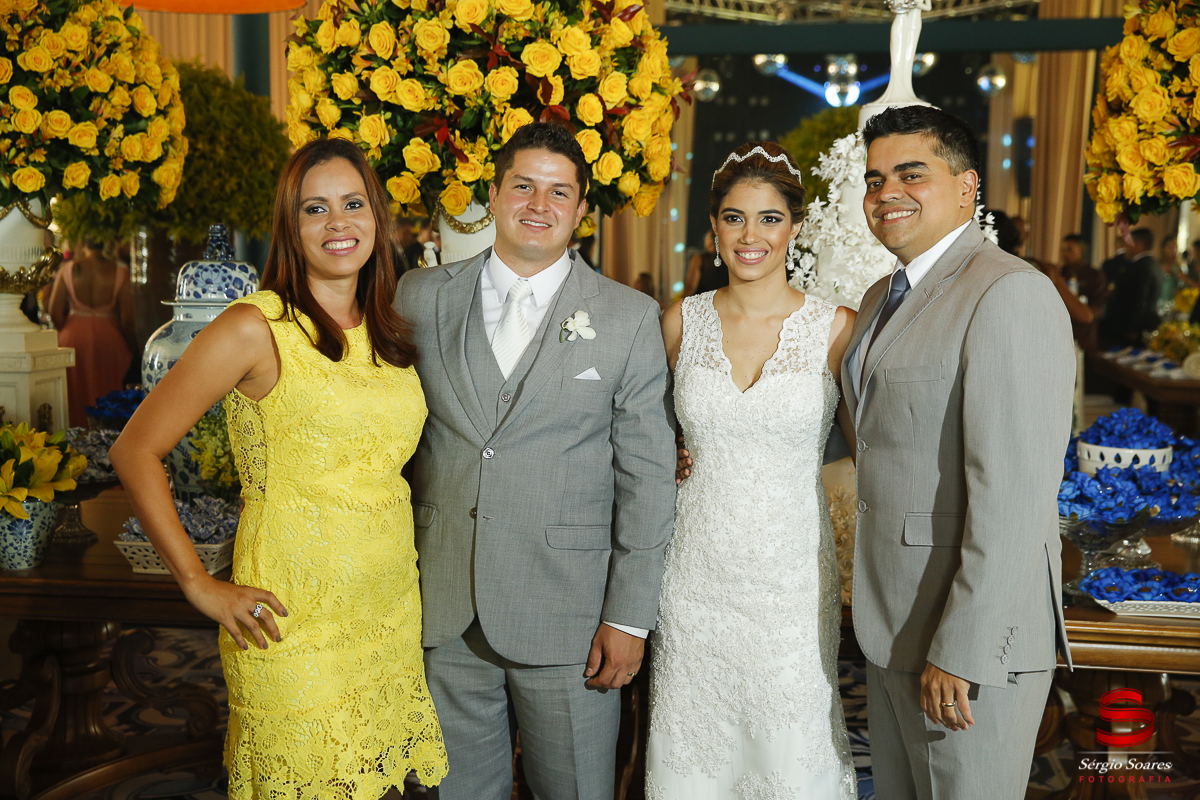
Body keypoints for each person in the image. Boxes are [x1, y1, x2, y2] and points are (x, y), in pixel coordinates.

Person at [110, 138, 448, 798]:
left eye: (352, 204)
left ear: (377, 216)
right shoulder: (254, 327)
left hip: (385, 609)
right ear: (290, 228)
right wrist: (197, 584)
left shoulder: (387, 328)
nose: (337, 223)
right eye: (314, 209)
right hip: (290, 615)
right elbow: (134, 449)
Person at [394, 122, 676, 800]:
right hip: (443, 606)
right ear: (493, 196)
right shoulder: (419, 296)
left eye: (559, 192)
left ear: (580, 212)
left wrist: (628, 617)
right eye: (523, 186)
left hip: (571, 616)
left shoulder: (630, 317)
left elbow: (647, 479)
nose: (539, 205)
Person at [845, 106, 1074, 800]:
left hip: (971, 641)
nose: (887, 192)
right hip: (893, 620)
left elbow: (1014, 498)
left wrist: (963, 647)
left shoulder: (1008, 291)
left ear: (968, 185)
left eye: (911, 174)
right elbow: (871, 435)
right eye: (875, 178)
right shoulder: (881, 296)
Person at [649, 142, 857, 797]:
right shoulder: (680, 322)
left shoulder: (836, 328)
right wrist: (664, 456)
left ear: (794, 227)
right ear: (714, 227)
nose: (750, 236)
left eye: (769, 219)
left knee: (789, 751)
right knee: (696, 754)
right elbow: (640, 436)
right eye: (734, 218)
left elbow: (876, 451)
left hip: (791, 583)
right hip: (693, 577)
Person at [48, 238, 136, 427]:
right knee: (107, 393)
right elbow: (128, 319)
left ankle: (75, 436)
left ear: (83, 242)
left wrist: (68, 328)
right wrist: (133, 347)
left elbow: (54, 312)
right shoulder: (120, 271)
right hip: (109, 338)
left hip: (73, 337)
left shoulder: (68, 269)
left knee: (74, 393)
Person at [1100, 227, 1161, 349]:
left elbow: (1140, 299)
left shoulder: (1141, 267)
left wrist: (1132, 328)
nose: (1125, 247)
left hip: (1132, 327)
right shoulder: (1152, 264)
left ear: (1139, 245)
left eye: (1128, 243)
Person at [1059, 233, 1108, 351]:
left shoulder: (1094, 275)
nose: (1065, 254)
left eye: (1069, 250)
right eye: (1063, 250)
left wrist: (1082, 312)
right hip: (1062, 330)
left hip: (1085, 333)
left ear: (1081, 250)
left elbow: (1099, 306)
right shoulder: (1059, 274)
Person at [684, 229, 726, 296]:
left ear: (712, 240)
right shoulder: (728, 259)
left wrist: (684, 299)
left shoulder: (699, 259)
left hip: (702, 299)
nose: (704, 240)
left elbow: (690, 286)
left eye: (706, 238)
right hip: (722, 298)